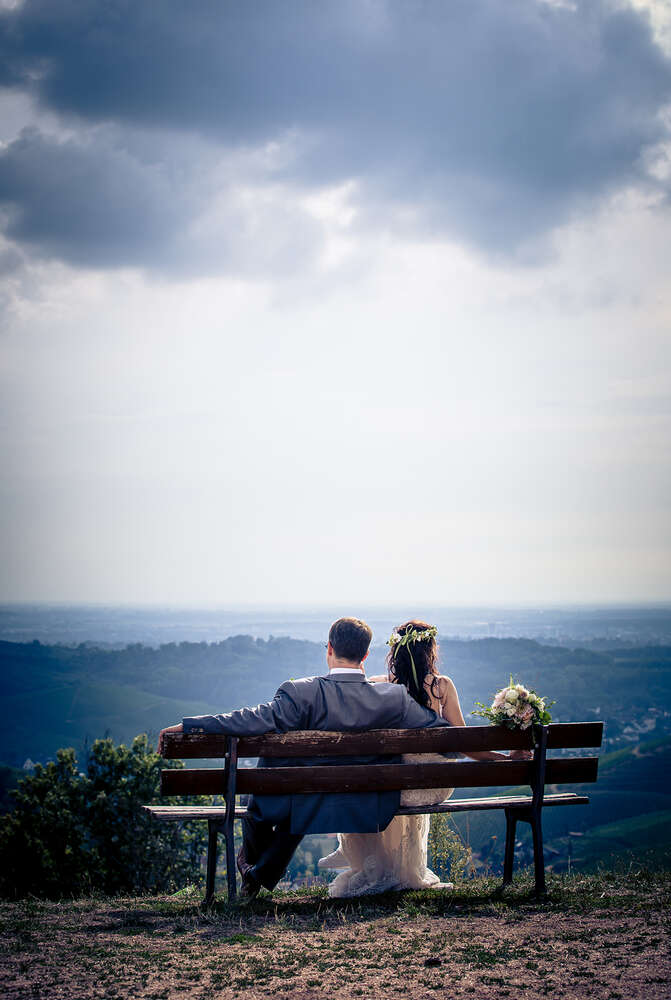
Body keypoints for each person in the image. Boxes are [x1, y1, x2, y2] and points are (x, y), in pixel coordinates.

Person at [157, 616, 453, 900]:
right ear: (364, 657)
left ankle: (254, 873)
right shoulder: (393, 698)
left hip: (298, 800)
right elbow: (445, 737)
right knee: (294, 793)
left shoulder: (300, 693)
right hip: (367, 803)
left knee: (261, 792)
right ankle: (258, 872)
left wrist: (192, 725)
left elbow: (249, 719)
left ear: (329, 649)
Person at [320, 619, 529, 897]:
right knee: (394, 777)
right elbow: (466, 745)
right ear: (430, 651)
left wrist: (357, 670)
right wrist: (508, 759)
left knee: (375, 780)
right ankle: (403, 869)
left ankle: (367, 861)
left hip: (392, 785)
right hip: (434, 785)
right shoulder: (442, 687)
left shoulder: (381, 685)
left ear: (395, 654)